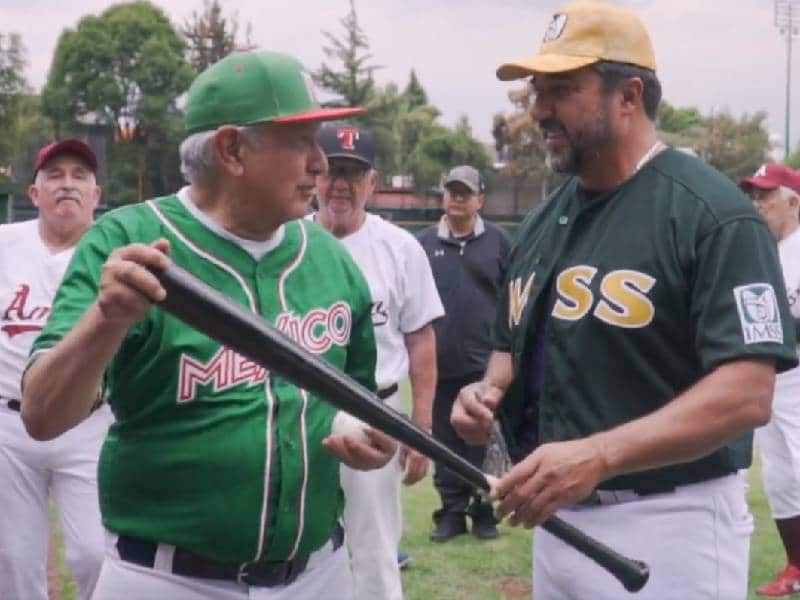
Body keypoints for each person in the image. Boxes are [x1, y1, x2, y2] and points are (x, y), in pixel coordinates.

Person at [450, 2, 798, 599]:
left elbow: (745, 394)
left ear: (629, 95)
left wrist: (599, 456)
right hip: (557, 516)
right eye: (539, 90)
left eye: (562, 89)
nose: (539, 109)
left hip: (672, 520)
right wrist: (486, 393)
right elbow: (512, 348)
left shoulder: (711, 215)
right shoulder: (539, 223)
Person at [21, 50, 397, 600]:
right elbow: (42, 414)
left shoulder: (329, 258)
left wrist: (373, 434)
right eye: (300, 141)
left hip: (318, 577)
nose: (320, 163)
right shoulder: (128, 243)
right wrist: (106, 320)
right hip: (167, 579)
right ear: (231, 150)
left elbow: (359, 397)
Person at [313, 124, 443, 600]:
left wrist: (421, 430)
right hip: (301, 412)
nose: (340, 183)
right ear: (314, 174)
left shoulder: (400, 247)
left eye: (353, 172)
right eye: (331, 170)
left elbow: (421, 338)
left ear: (373, 181)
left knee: (374, 554)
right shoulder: (288, 241)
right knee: (298, 553)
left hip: (375, 412)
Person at [0, 139, 111, 600]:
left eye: (79, 176)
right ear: (34, 193)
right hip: (8, 425)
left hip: (89, 424)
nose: (67, 184)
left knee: (96, 556)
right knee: (11, 563)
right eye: (55, 175)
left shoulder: (114, 251)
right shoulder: (5, 244)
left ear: (96, 195)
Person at [417, 165, 511, 542]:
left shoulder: (500, 243)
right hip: (437, 366)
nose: (457, 197)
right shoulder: (421, 244)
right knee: (443, 444)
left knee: (485, 442)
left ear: (480, 200)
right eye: (452, 191)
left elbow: (513, 301)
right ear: (443, 196)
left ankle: (485, 511)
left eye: (465, 192)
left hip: (485, 369)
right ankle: (451, 513)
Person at [739, 163, 800, 597]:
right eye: (754, 196)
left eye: (766, 196)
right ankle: (795, 564)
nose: (757, 204)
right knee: (779, 479)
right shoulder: (759, 250)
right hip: (771, 381)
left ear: (793, 201)